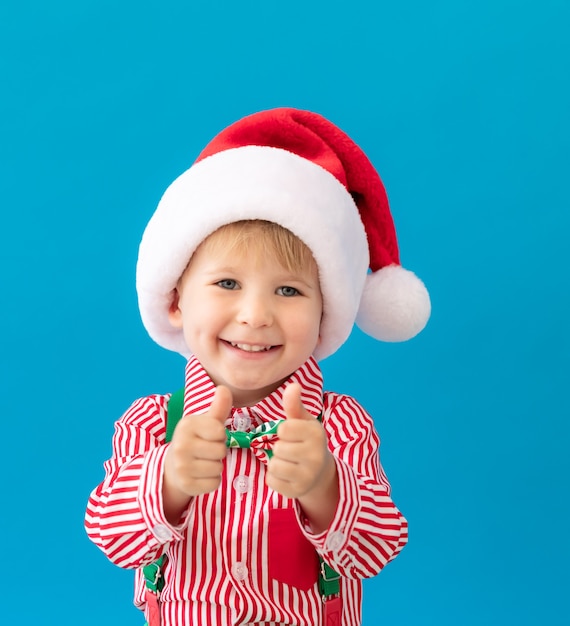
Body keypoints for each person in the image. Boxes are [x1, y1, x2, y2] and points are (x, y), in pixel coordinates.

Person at [85, 107, 431, 626]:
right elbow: (112, 537)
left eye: (288, 290)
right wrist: (170, 479)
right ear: (177, 300)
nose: (254, 315)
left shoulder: (341, 427)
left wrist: (324, 485)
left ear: (324, 317)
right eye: (227, 283)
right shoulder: (151, 425)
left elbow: (378, 549)